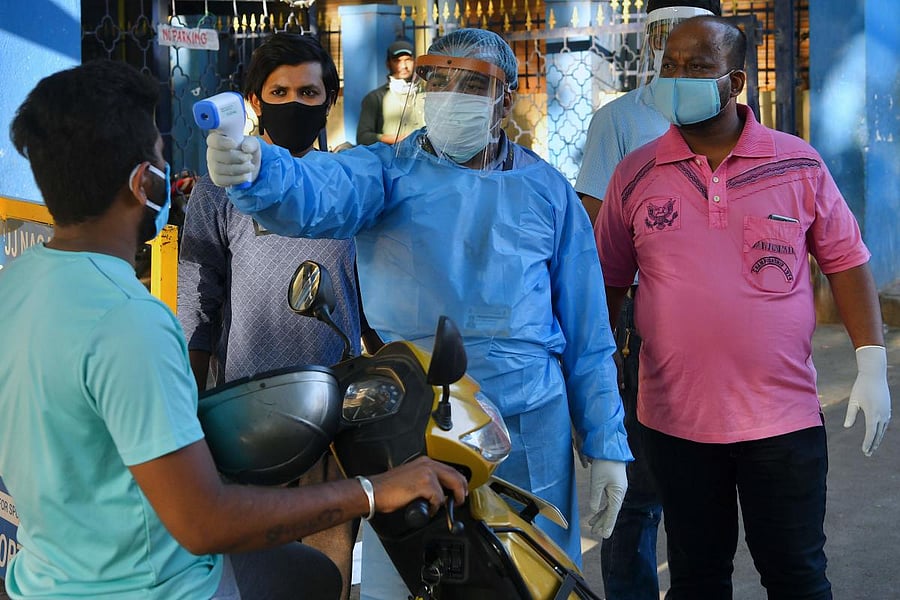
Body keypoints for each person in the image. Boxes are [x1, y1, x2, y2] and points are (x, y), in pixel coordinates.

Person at [0, 59, 467, 600]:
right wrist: (372, 491)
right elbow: (206, 523)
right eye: (158, 156)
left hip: (42, 577)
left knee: (310, 574)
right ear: (141, 183)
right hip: (155, 587)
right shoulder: (129, 320)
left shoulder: (18, 283)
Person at [204, 27, 632, 568]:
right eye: (438, 80)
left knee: (533, 575)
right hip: (412, 422)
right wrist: (258, 172)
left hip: (527, 429)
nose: (451, 95)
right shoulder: (386, 174)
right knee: (414, 574)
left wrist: (606, 443)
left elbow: (589, 332)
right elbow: (317, 189)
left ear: (506, 97)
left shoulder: (547, 192)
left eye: (472, 84)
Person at [595, 16, 891, 599]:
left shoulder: (798, 164)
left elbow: (846, 261)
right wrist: (600, 389)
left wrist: (872, 364)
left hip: (782, 420)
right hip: (674, 422)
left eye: (696, 67)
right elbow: (607, 282)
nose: (675, 78)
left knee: (797, 576)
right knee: (698, 579)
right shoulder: (635, 175)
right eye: (669, 67)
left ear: (734, 82)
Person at [178, 33, 361, 598]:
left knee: (324, 579)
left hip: (339, 418)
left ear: (331, 99)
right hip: (246, 420)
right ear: (255, 102)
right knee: (253, 581)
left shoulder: (355, 186)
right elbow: (198, 307)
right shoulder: (218, 189)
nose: (296, 104)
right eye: (280, 91)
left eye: (310, 92)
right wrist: (190, 417)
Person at [574, 2, 719, 599]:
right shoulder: (620, 121)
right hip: (637, 314)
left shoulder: (725, 117)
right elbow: (593, 217)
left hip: (707, 321)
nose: (680, 58)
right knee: (636, 483)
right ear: (655, 46)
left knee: (698, 474)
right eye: (670, 44)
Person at [356, 38, 425, 145]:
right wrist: (397, 139)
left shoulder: (425, 95)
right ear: (388, 64)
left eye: (408, 60)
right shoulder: (376, 98)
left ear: (415, 62)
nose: (404, 66)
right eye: (397, 61)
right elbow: (363, 137)